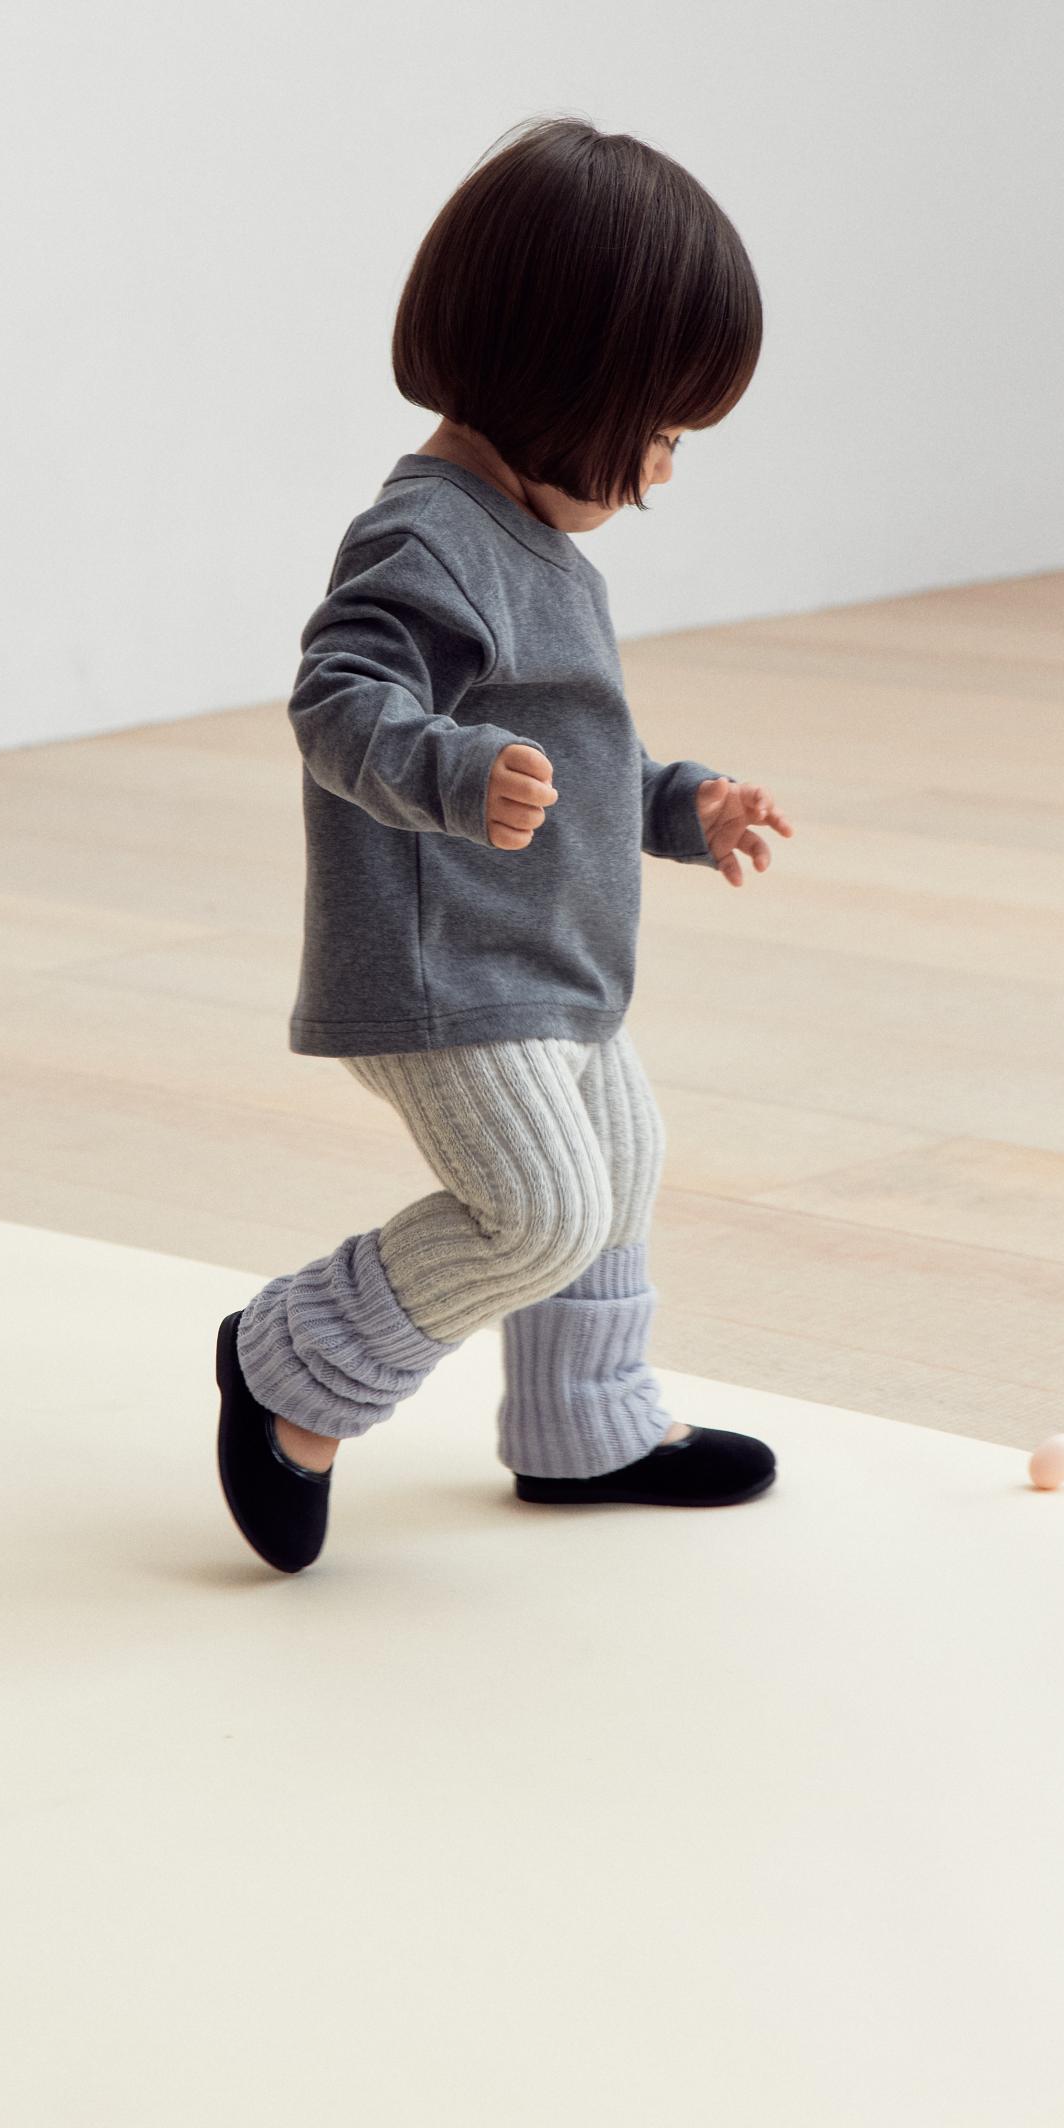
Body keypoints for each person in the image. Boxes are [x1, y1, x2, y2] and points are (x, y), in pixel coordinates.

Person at [215, 117, 792, 1572]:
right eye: (659, 433)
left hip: (544, 959)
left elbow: (571, 758)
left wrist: (680, 803)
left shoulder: (539, 548)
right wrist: (453, 773)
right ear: (567, 387)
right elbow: (339, 700)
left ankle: (587, 1422)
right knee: (539, 1208)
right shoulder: (427, 536)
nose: (661, 473)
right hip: (447, 968)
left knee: (623, 1162)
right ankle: (293, 1369)